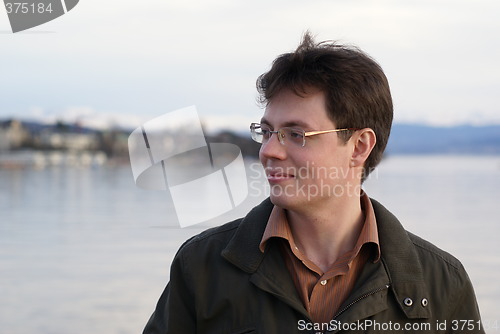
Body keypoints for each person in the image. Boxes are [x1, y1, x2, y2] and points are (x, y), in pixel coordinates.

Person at [143, 32, 484, 333]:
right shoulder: (201, 266)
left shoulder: (442, 282)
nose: (269, 151)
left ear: (360, 146)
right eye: (266, 132)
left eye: (295, 134)